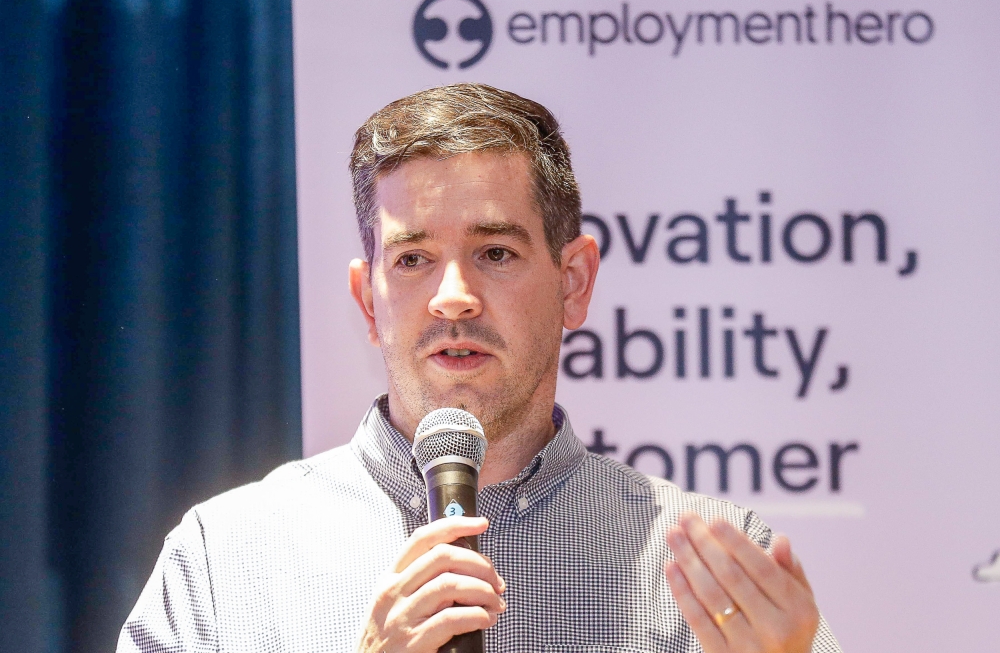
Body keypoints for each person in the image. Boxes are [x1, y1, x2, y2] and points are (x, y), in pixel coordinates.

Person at [118, 84, 841, 653]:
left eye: (495, 252)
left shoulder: (711, 565)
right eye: (412, 259)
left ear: (574, 282)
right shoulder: (227, 558)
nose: (454, 296)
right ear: (367, 301)